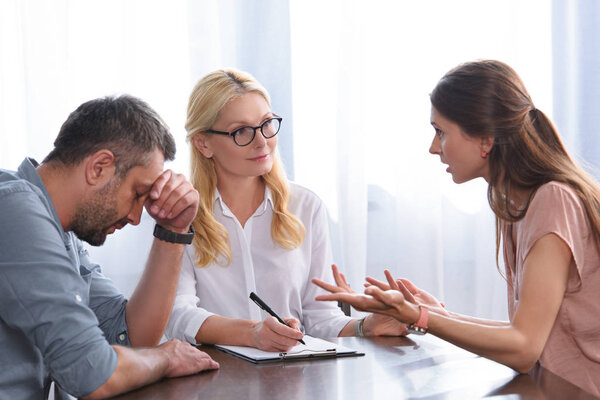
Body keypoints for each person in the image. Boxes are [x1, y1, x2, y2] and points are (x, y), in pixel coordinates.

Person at [313, 59, 600, 396]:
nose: (434, 148)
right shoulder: (518, 205)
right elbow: (525, 333)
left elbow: (524, 348)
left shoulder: (553, 200)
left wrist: (421, 316)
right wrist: (434, 313)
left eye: (441, 132)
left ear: (485, 139)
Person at [165, 68, 406, 352]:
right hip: (214, 379)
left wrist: (366, 327)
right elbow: (177, 315)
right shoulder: (179, 214)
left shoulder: (306, 207)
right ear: (203, 143)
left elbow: (319, 319)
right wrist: (252, 333)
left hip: (291, 377)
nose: (262, 141)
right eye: (241, 131)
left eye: (267, 123)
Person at [0, 95, 219, 400]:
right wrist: (167, 357)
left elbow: (130, 337)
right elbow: (91, 372)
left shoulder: (61, 232)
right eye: (138, 193)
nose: (135, 216)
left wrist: (174, 229)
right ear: (99, 167)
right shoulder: (13, 211)